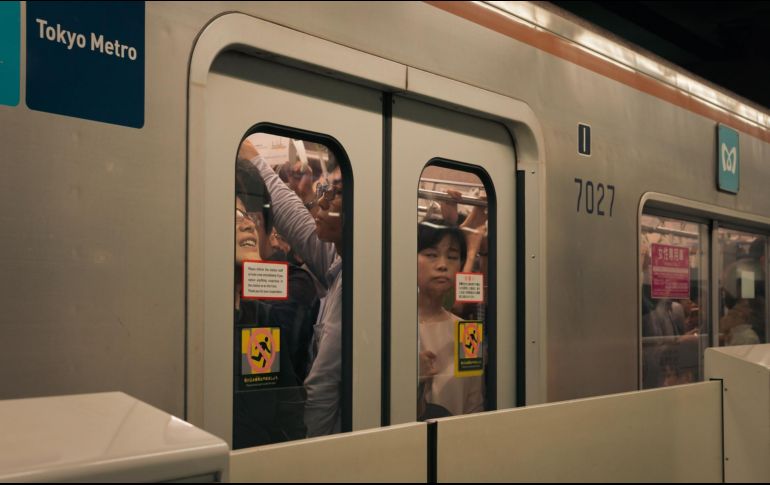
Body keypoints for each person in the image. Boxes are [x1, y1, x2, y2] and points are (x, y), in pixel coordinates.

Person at [240, 139, 344, 437]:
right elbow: (297, 221)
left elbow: (322, 390)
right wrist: (256, 160)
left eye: (334, 194)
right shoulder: (339, 262)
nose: (320, 203)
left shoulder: (285, 295)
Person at [233, 158, 317, 448]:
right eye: (233, 213)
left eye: (249, 215)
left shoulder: (260, 318)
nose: (245, 224)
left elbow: (286, 411)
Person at [417, 217, 484, 420]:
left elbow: (474, 403)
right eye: (431, 255)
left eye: (452, 257)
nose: (442, 265)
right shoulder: (395, 327)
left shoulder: (467, 331)